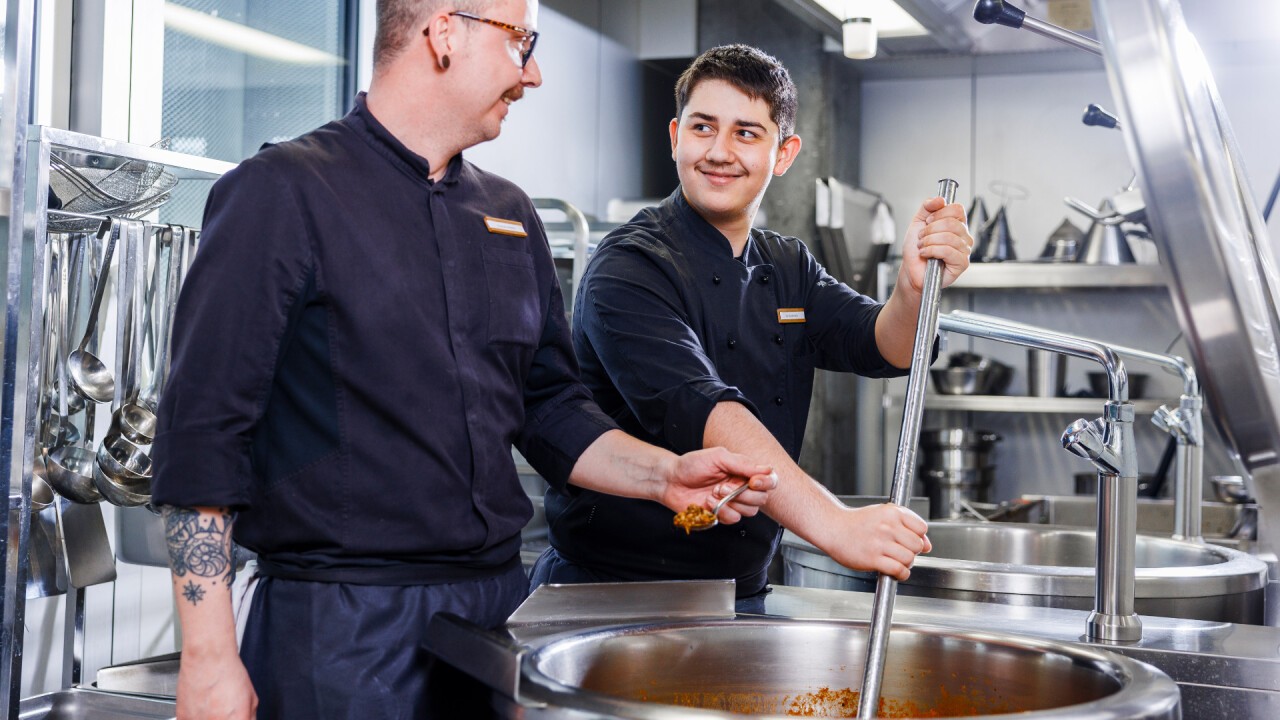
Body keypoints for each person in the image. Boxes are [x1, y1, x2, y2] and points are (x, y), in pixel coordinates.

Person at [150, 6, 778, 719]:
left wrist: (664, 475)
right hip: (339, 626)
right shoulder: (283, 191)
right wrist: (207, 657)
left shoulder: (508, 214)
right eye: (520, 44)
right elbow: (203, 431)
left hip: (491, 618)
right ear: (445, 32)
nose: (532, 72)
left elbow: (550, 409)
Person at [531, 44, 975, 612]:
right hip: (612, 592)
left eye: (746, 133)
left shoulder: (786, 265)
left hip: (741, 591)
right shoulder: (629, 265)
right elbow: (704, 410)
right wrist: (835, 524)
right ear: (675, 137)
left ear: (783, 152)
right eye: (703, 127)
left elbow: (882, 344)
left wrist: (912, 290)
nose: (719, 152)